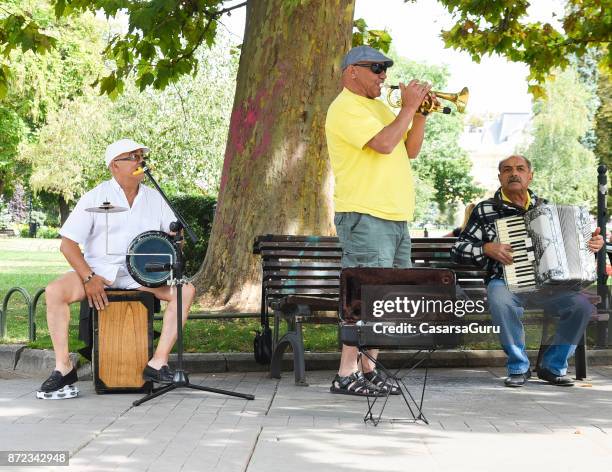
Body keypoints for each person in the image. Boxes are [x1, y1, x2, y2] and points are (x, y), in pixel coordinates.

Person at [37, 139, 196, 399]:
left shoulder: (155, 197)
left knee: (186, 291)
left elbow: (173, 237)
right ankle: (63, 367)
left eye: (140, 155)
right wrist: (89, 278)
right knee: (54, 291)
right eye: (131, 156)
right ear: (114, 166)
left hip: (139, 275)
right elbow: (67, 245)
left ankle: (158, 363)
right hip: (98, 271)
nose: (139, 160)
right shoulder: (96, 196)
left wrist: (175, 243)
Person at [325, 45, 436, 397]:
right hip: (366, 214)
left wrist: (420, 115)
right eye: (375, 68)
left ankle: (368, 369)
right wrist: (407, 107)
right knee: (362, 297)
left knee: (385, 300)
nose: (383, 75)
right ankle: (345, 373)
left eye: (385, 68)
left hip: (395, 216)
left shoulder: (378, 106)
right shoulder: (344, 108)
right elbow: (386, 144)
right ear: (351, 71)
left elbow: (410, 149)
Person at [451, 154, 604, 387]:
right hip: (507, 282)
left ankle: (552, 366)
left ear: (529, 176)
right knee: (500, 297)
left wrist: (593, 245)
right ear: (500, 177)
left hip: (550, 286)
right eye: (507, 169)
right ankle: (518, 366)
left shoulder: (547, 208)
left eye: (520, 169)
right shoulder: (485, 210)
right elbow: (458, 250)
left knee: (581, 307)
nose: (514, 173)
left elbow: (575, 246)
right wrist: (486, 248)